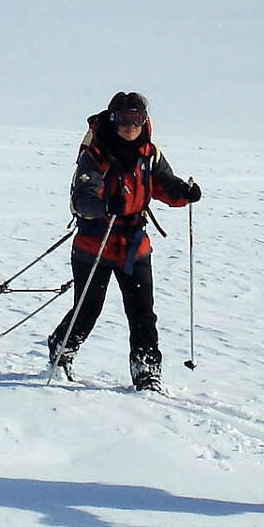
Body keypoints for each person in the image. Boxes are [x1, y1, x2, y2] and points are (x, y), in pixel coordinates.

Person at [46, 91, 201, 391]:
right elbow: (81, 198)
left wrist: (184, 193)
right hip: (95, 244)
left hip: (134, 246)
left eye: (137, 119)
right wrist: (105, 206)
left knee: (143, 312)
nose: (130, 126)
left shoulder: (149, 154)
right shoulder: (96, 155)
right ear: (113, 120)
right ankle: (61, 348)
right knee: (88, 308)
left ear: (144, 121)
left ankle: (146, 371)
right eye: (124, 119)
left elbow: (163, 185)